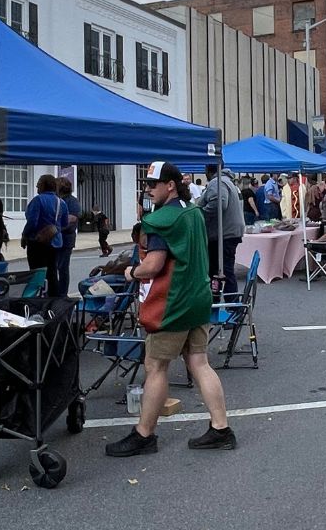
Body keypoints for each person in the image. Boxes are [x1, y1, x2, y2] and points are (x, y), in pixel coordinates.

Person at [105, 161, 234, 457]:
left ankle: (144, 434)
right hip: (199, 298)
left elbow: (154, 265)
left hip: (172, 302)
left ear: (170, 185)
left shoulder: (160, 220)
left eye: (152, 184)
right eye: (146, 185)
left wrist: (129, 272)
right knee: (199, 363)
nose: (148, 190)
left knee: (156, 367)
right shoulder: (193, 213)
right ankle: (221, 428)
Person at [198, 165, 245, 295]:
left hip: (223, 234)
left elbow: (218, 203)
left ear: (208, 171)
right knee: (223, 270)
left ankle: (230, 304)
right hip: (229, 232)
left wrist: (199, 215)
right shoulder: (227, 181)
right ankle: (227, 302)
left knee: (221, 270)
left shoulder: (217, 182)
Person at [21, 175, 68, 296]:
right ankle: (53, 301)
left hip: (38, 243)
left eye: (38, 183)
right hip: (55, 243)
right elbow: (64, 223)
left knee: (37, 273)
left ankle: (38, 299)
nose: (37, 186)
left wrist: (24, 235)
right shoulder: (61, 202)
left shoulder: (38, 200)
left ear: (43, 185)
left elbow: (32, 222)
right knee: (52, 273)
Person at [56, 177, 81, 297]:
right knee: (54, 268)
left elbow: (72, 218)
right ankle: (54, 292)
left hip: (66, 239)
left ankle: (62, 294)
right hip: (55, 239)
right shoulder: (57, 200)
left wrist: (55, 225)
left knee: (63, 268)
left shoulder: (71, 201)